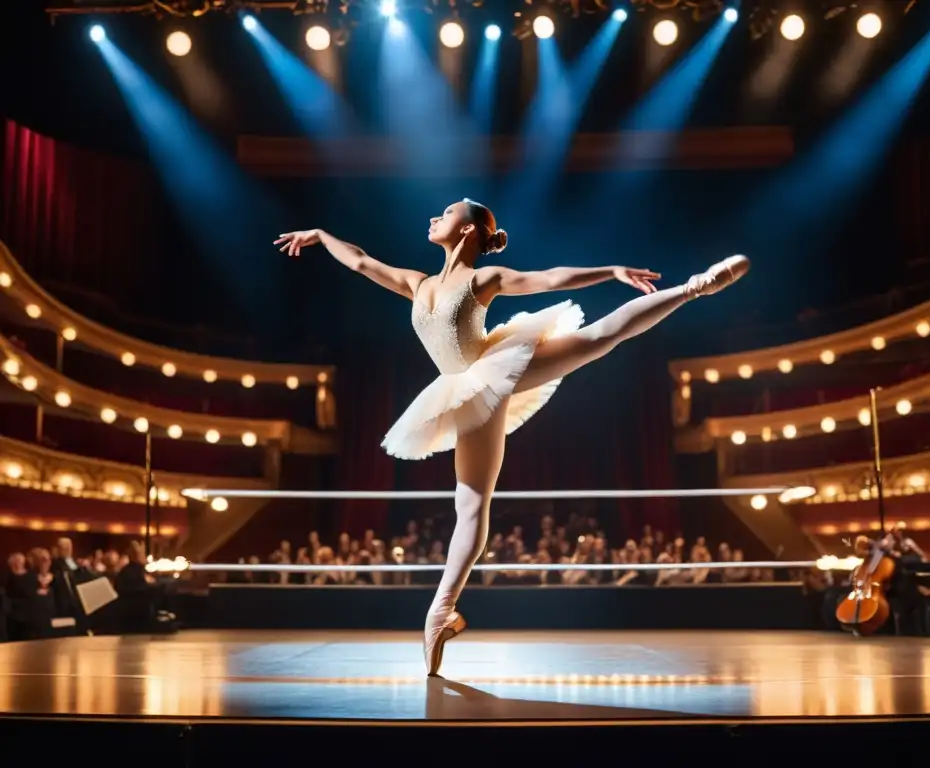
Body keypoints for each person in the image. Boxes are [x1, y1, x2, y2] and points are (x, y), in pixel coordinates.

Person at [275, 199, 749, 675]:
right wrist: (318, 232)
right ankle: (440, 612)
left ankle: (696, 287)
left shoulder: (483, 279)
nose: (432, 218)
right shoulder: (416, 283)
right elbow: (359, 260)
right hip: (465, 389)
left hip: (497, 365)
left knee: (600, 337)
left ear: (468, 231)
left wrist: (611, 270)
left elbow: (550, 278)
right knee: (470, 504)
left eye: (445, 213)